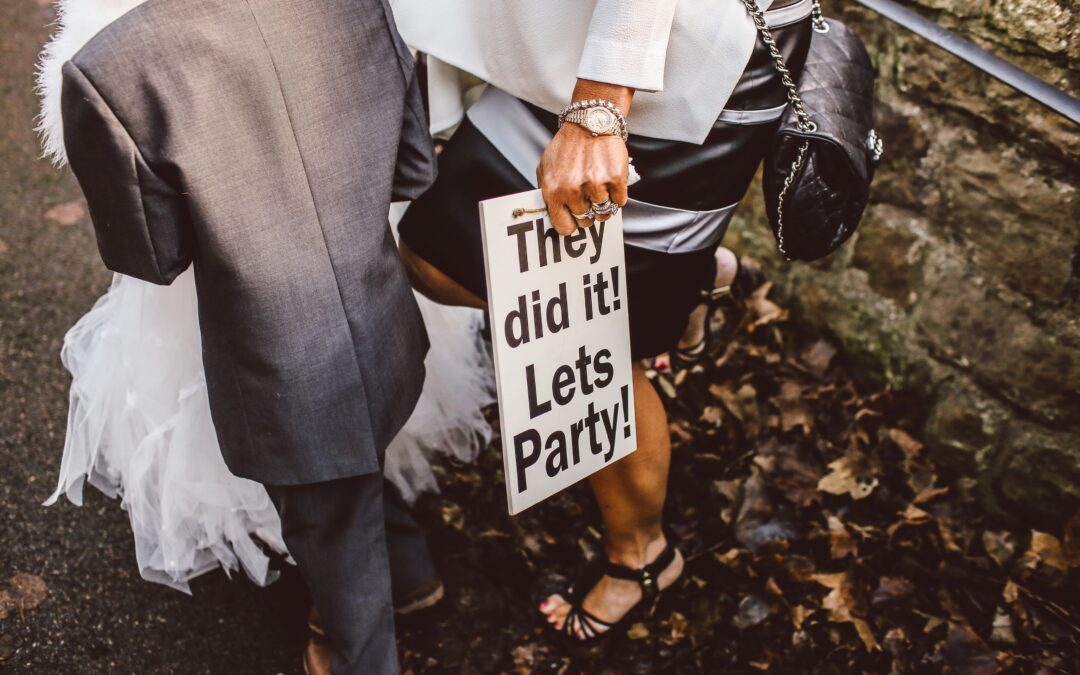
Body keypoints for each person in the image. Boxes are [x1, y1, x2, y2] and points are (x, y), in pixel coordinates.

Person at [40, 0, 480, 671]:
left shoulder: (110, 69)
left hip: (275, 362)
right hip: (383, 320)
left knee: (323, 517)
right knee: (353, 471)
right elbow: (412, 170)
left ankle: (363, 652)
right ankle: (415, 576)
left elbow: (153, 257)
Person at [390, 0, 815, 639]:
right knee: (430, 254)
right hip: (563, 46)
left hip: (664, 64)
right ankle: (683, 286)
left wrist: (597, 112)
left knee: (585, 339)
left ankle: (642, 555)